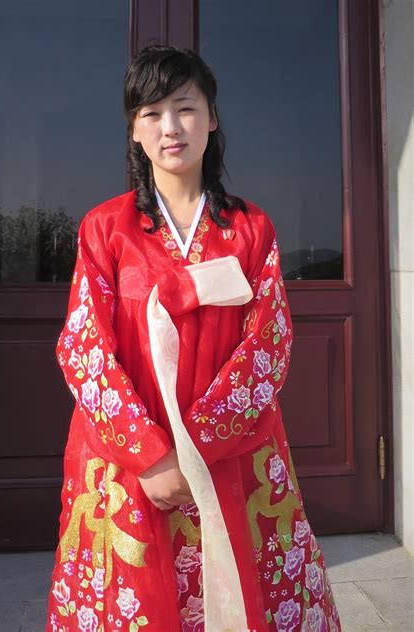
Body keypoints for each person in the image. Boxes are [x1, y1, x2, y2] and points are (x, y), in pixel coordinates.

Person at [46, 45, 341, 632]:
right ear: (134, 130)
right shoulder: (106, 229)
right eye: (151, 113)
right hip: (132, 465)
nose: (170, 127)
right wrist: (153, 455)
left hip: (230, 455)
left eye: (185, 108)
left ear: (211, 119)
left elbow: (269, 347)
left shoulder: (250, 229)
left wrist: (197, 447)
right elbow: (85, 349)